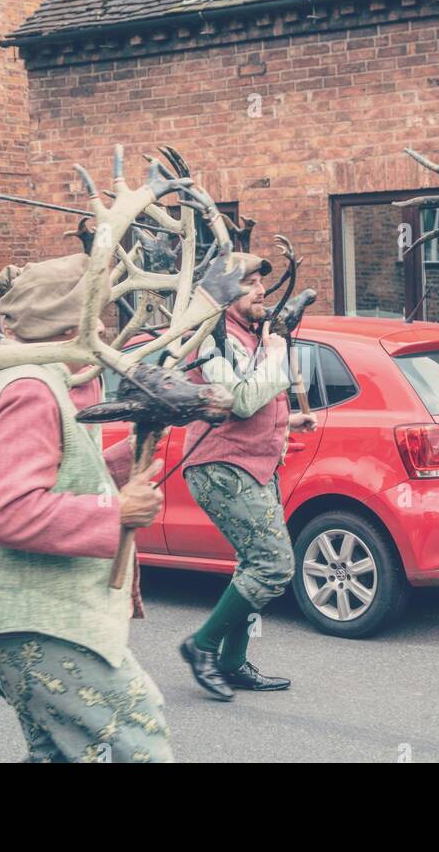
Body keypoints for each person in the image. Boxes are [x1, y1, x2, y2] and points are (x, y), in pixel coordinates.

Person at [0, 255, 174, 763]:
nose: (104, 324)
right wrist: (118, 510)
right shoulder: (32, 388)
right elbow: (10, 513)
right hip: (40, 622)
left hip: (34, 619)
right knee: (137, 743)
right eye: (94, 311)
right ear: (70, 321)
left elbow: (56, 468)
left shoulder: (24, 375)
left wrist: (125, 457)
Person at [177, 252, 317, 701]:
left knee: (253, 564)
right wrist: (276, 356)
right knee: (274, 565)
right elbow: (238, 401)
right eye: (250, 283)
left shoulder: (248, 334)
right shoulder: (211, 337)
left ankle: (232, 663)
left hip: (252, 464)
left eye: (261, 283)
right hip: (222, 467)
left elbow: (251, 404)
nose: (261, 291)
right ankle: (201, 646)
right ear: (222, 293)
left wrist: (287, 422)